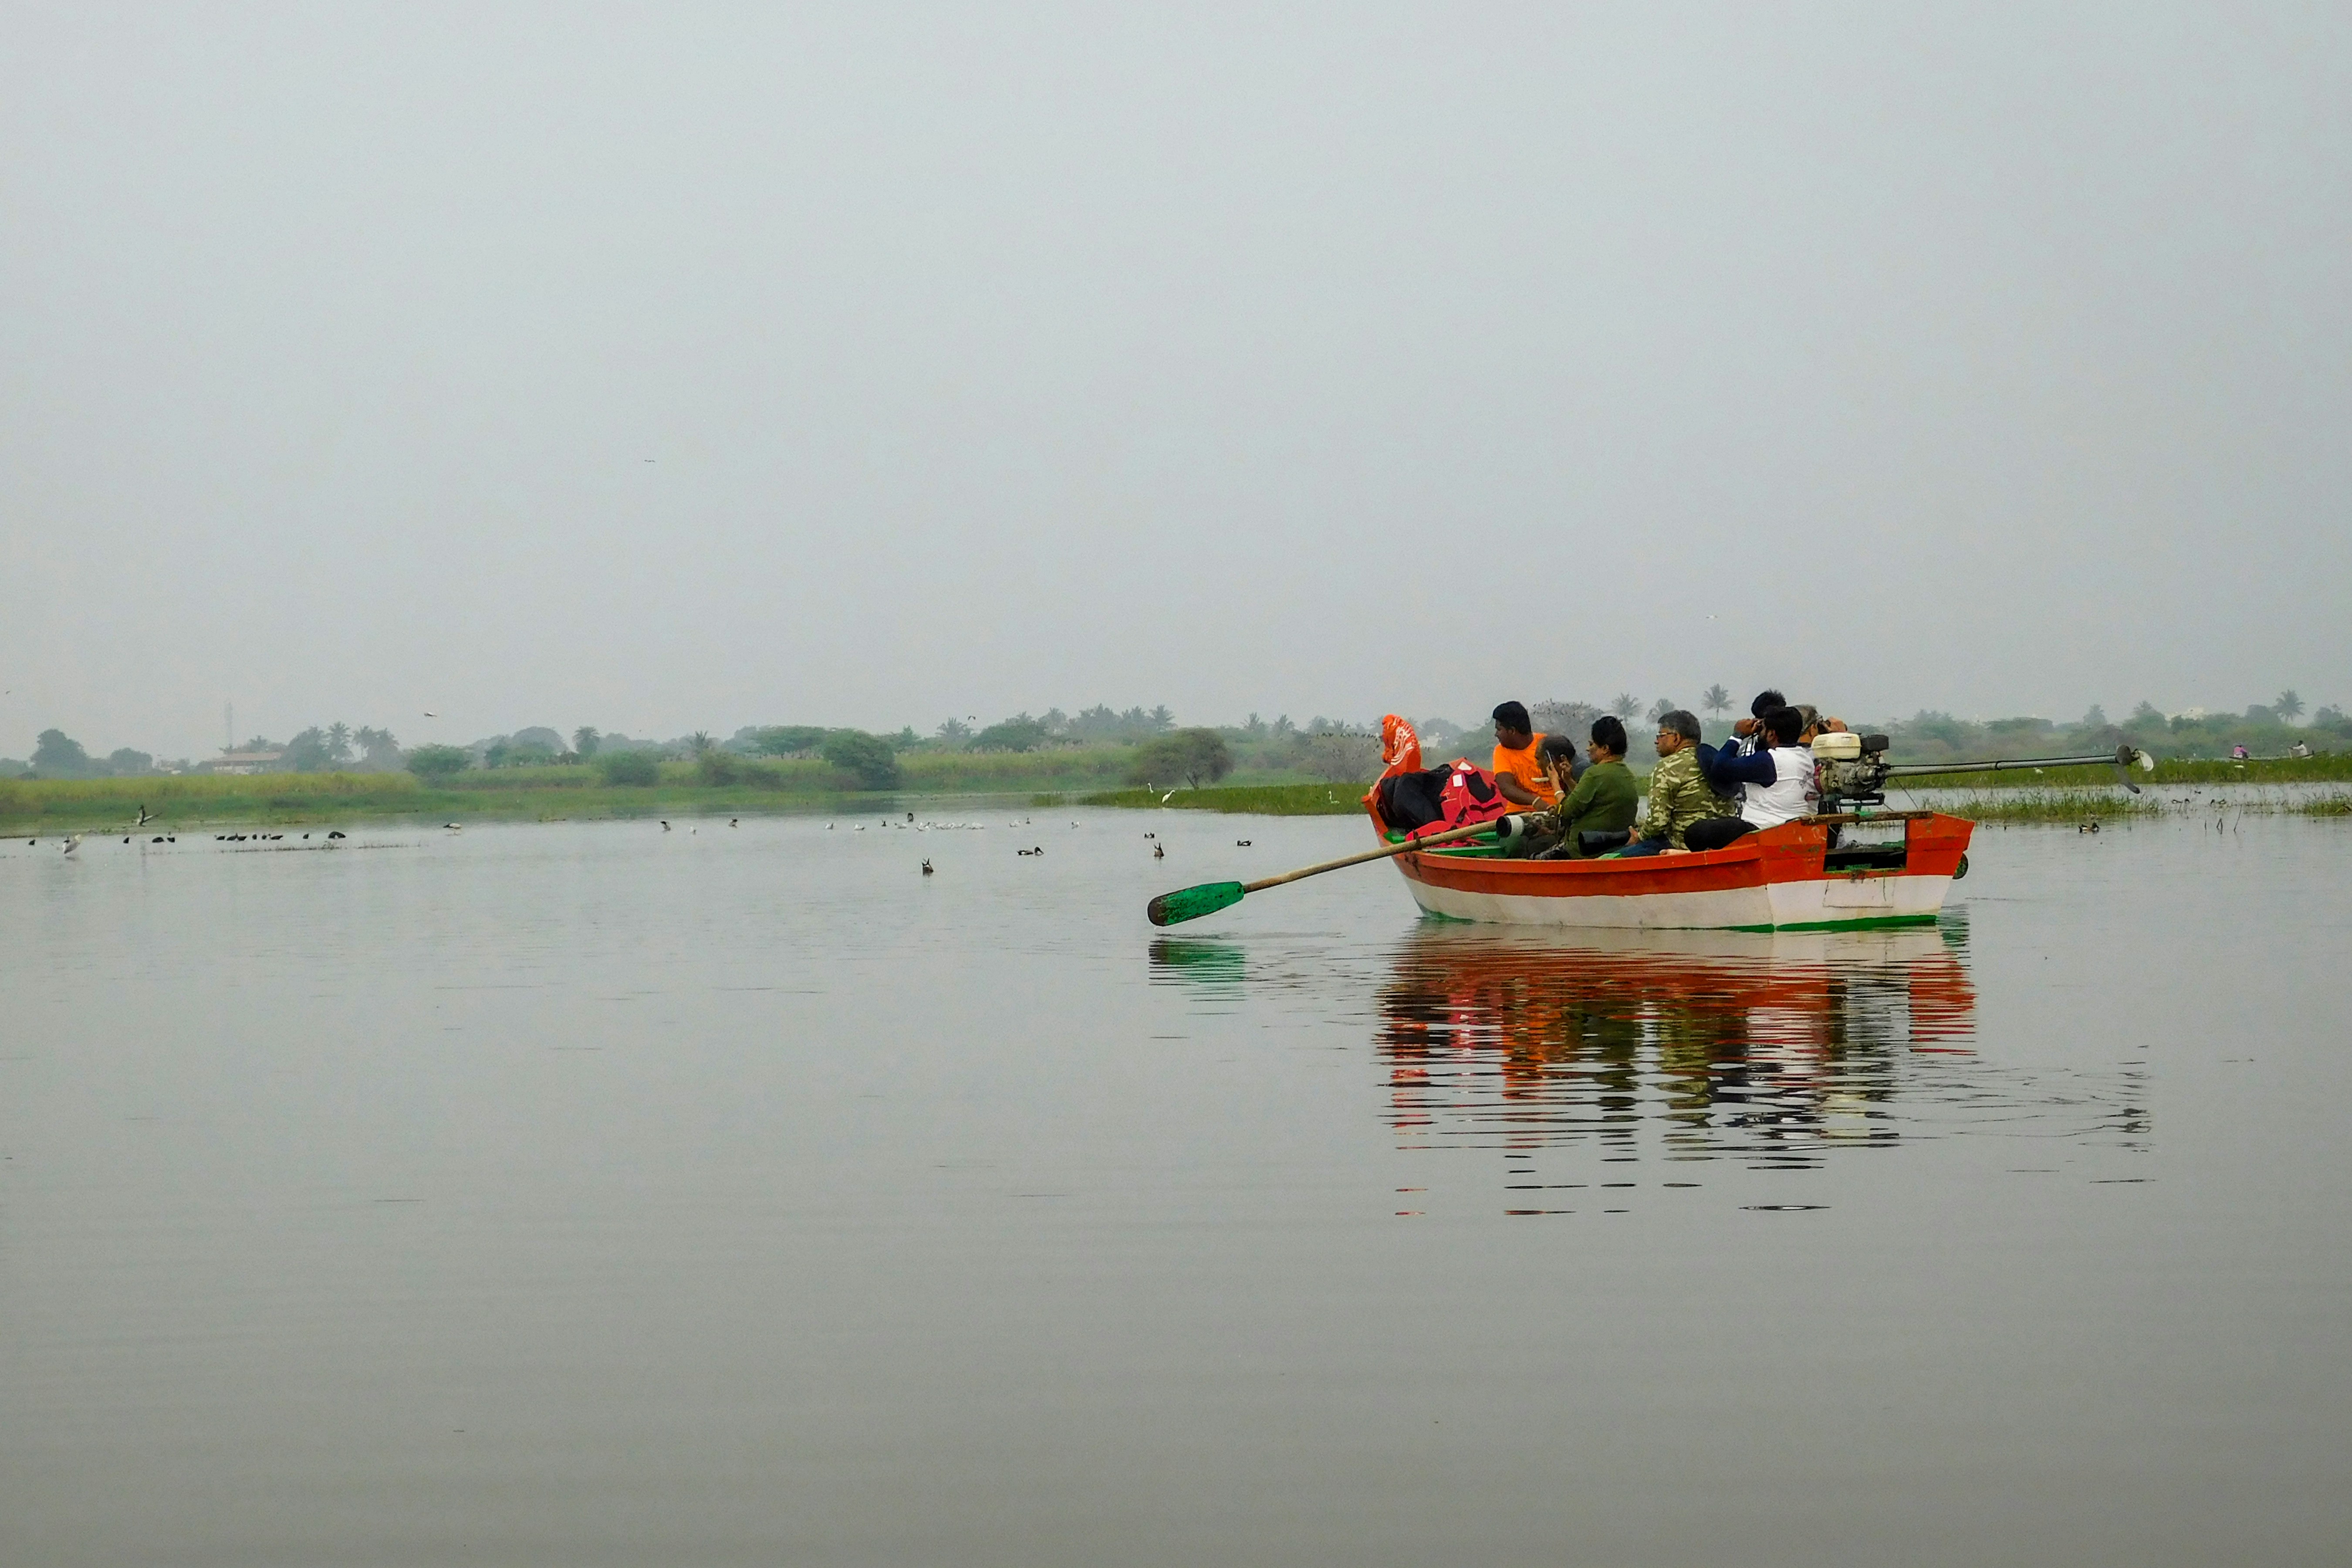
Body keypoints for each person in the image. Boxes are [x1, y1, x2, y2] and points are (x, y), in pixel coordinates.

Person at [1685, 705, 1818, 852]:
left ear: (1772, 735)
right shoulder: (1805, 758)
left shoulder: (1770, 761)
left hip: (1764, 830)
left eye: (1763, 729)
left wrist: (1737, 735)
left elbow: (1720, 768)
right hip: (1793, 830)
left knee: (1695, 832)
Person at [1614, 709, 1735, 856]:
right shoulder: (1717, 761)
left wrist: (1639, 836)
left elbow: (1658, 823)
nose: (1656, 740)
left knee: (1617, 857)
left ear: (1676, 738)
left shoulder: (1667, 766)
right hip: (1725, 843)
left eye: (1661, 735)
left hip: (1682, 844)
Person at [1534, 715, 1640, 858]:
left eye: (1592, 744)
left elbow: (1565, 811)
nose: (1587, 749)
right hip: (1615, 846)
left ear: (1605, 749)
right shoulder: (1627, 774)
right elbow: (1588, 802)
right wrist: (1568, 780)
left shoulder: (1594, 774)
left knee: (1536, 858)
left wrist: (1555, 783)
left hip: (1584, 850)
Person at [1490, 701, 1561, 811]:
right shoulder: (1500, 751)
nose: (1496, 734)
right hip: (1519, 814)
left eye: (1499, 730)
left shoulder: (1546, 744)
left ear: (1512, 731)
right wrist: (1535, 802)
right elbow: (1506, 788)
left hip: (1554, 811)